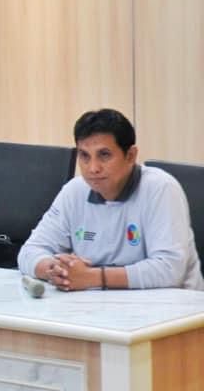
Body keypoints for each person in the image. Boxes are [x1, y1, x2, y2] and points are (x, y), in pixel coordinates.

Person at [18, 109, 203, 291]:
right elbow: (29, 251)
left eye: (104, 155)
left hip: (172, 306)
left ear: (130, 156)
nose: (93, 168)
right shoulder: (74, 192)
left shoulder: (161, 189)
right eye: (84, 156)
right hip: (100, 303)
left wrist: (92, 277)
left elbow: (169, 270)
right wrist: (55, 270)